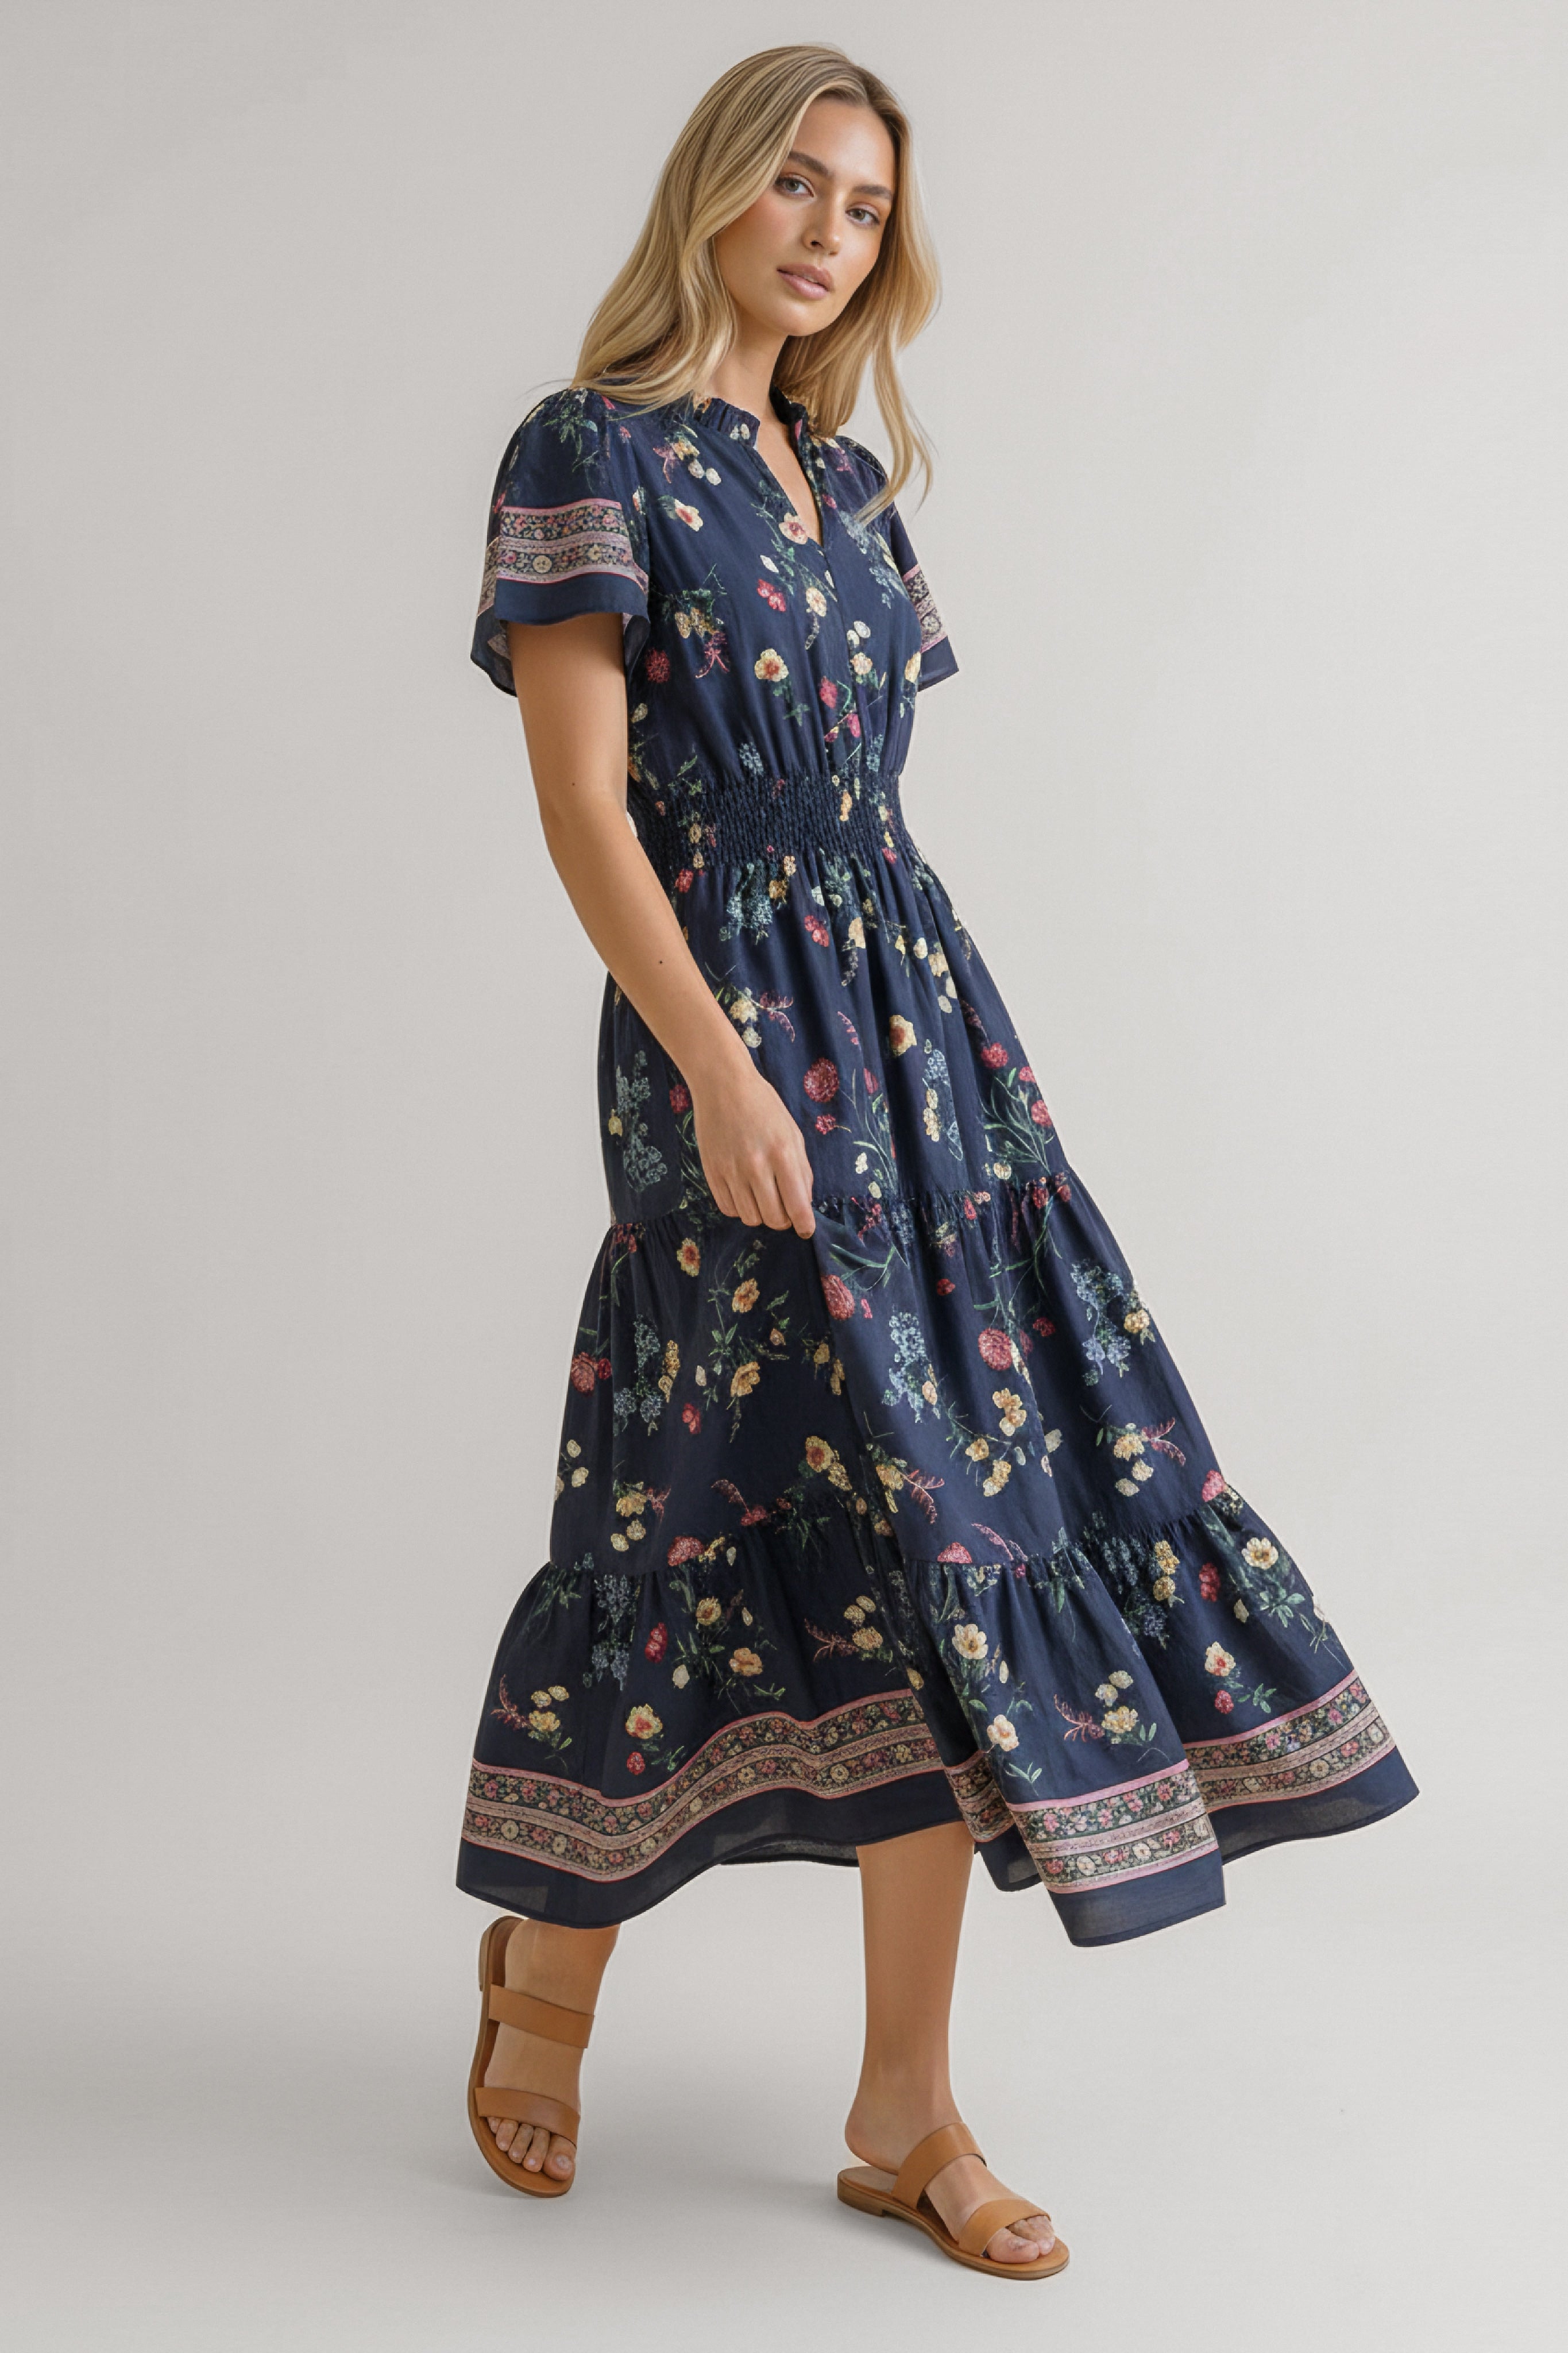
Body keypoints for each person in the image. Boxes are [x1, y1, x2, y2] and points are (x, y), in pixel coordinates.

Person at [455, 43, 1418, 2277]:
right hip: (726, 1031)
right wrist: (708, 1065)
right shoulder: (585, 453)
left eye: (864, 205)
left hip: (919, 1035)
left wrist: (915, 1063)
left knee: (945, 1518)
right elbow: (586, 811)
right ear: (710, 188)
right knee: (683, 1501)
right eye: (792, 182)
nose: (823, 229)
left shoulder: (845, 481)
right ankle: (547, 1974)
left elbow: (869, 803)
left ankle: (901, 2103)